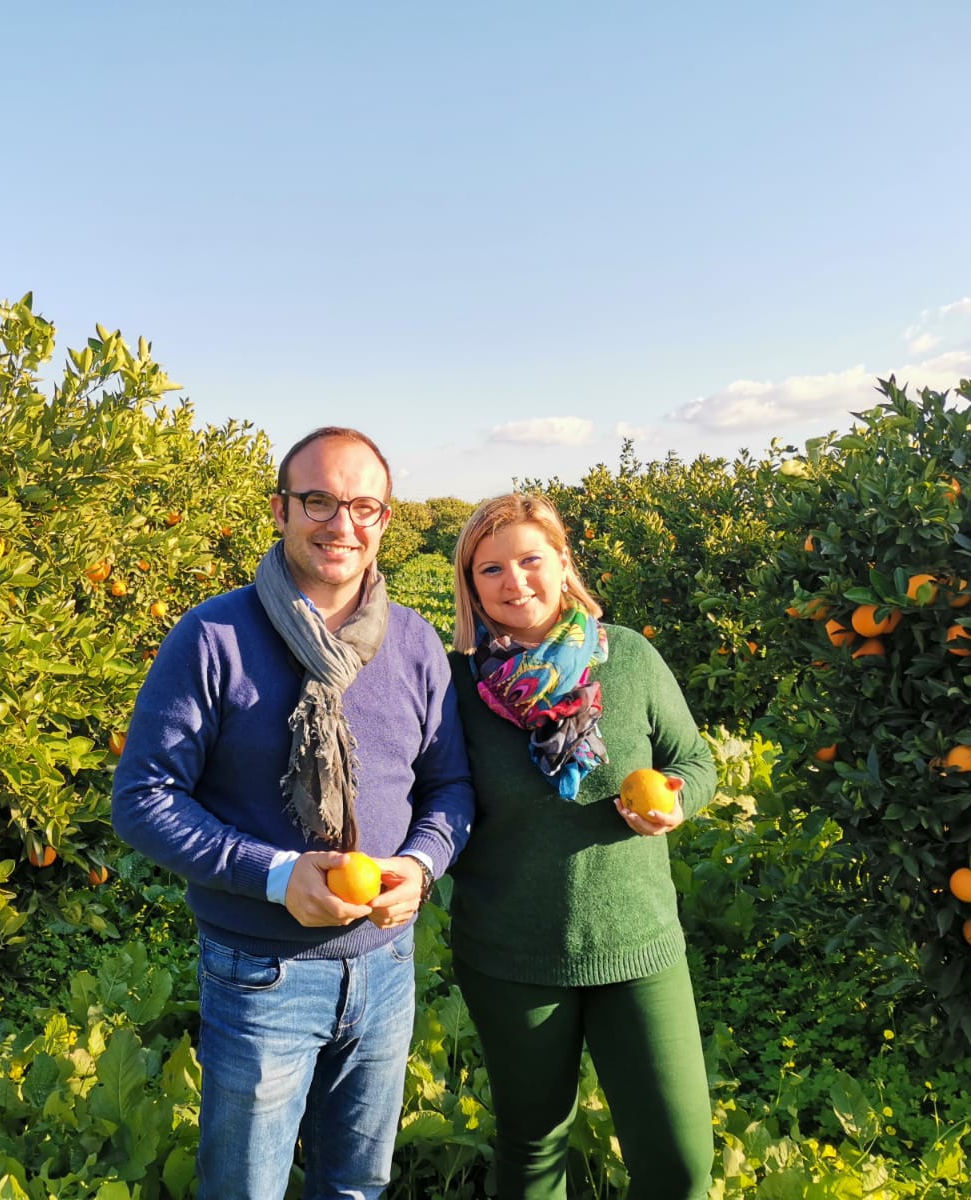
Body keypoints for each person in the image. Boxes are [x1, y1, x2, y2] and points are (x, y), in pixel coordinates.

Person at [111, 426, 475, 1200]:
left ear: (385, 520)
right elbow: (144, 798)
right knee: (246, 1188)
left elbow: (449, 787)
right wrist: (276, 876)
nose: (342, 524)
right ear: (280, 510)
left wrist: (420, 866)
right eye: (318, 501)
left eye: (364, 506)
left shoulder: (414, 642)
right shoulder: (213, 637)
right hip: (260, 975)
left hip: (387, 970)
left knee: (357, 1186)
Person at [445, 493, 715, 1200]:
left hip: (637, 943)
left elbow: (694, 760)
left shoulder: (628, 656)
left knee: (680, 1161)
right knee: (533, 1147)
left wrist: (676, 799)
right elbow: (429, 793)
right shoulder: (455, 685)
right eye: (491, 569)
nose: (514, 582)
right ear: (471, 586)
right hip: (511, 954)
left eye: (530, 559)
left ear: (563, 562)